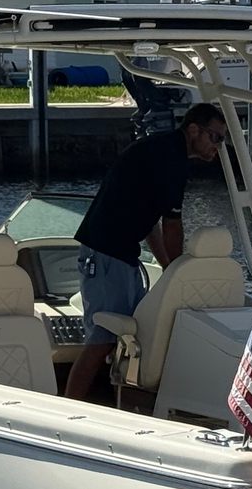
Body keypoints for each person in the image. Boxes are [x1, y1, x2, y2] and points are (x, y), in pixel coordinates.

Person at [63, 101, 228, 400]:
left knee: (130, 336)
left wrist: (169, 269)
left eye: (221, 140)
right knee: (103, 338)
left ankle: (123, 404)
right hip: (105, 252)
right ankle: (68, 408)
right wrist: (180, 274)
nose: (217, 146)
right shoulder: (171, 161)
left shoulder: (162, 151)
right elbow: (172, 225)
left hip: (123, 254)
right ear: (194, 130)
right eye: (215, 137)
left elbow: (150, 221)